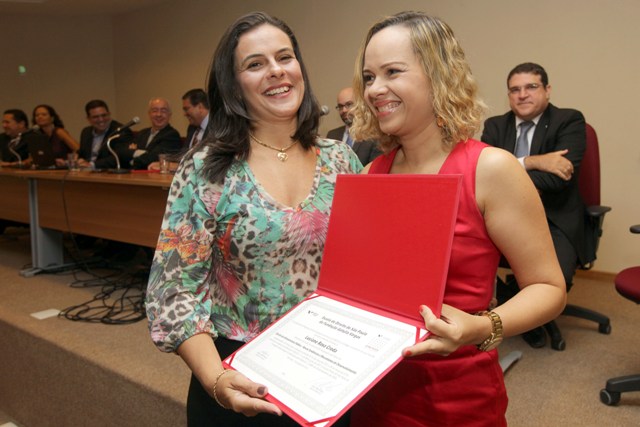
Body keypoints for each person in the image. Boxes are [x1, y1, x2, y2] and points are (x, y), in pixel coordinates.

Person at [348, 11, 566, 426]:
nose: (375, 89)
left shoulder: (490, 169)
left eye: (392, 72)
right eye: (369, 77)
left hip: (454, 397)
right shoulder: (370, 175)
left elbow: (549, 288)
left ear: (438, 75)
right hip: (373, 389)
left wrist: (483, 327)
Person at [145, 11, 361, 427]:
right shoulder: (207, 168)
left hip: (330, 372)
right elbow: (171, 292)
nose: (276, 70)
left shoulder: (341, 160)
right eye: (255, 64)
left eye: (285, 57)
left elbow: (366, 265)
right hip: (237, 376)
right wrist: (216, 379)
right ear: (233, 85)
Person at [481, 63, 586, 348]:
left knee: (555, 279)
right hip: (502, 216)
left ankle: (527, 314)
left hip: (555, 217)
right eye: (515, 89)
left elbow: (558, 179)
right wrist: (534, 161)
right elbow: (481, 174)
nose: (522, 94)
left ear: (547, 90)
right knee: (466, 257)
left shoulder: (569, 120)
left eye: (531, 87)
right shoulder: (495, 126)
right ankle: (518, 306)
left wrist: (503, 176)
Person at [147, 88, 210, 171]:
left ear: (200, 107)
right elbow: (184, 156)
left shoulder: (218, 128)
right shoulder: (192, 128)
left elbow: (210, 161)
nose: (184, 114)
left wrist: (177, 166)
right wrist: (166, 163)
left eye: (186, 109)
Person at [74, 99, 135, 170]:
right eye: (96, 117)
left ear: (109, 114)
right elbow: (82, 154)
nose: (101, 119)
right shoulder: (86, 132)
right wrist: (78, 160)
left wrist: (92, 165)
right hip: (87, 172)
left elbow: (120, 157)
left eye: (104, 115)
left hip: (109, 173)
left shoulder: (121, 131)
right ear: (88, 119)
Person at [326, 87, 381, 165]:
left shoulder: (375, 134)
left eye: (349, 104)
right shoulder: (332, 135)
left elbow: (376, 168)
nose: (344, 110)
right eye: (340, 106)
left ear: (361, 105)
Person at [126, 97, 181, 170]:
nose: (159, 114)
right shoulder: (142, 133)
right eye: (155, 111)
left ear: (169, 115)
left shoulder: (172, 135)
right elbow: (124, 152)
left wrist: (132, 156)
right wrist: (145, 153)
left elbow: (153, 158)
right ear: (149, 114)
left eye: (163, 111)